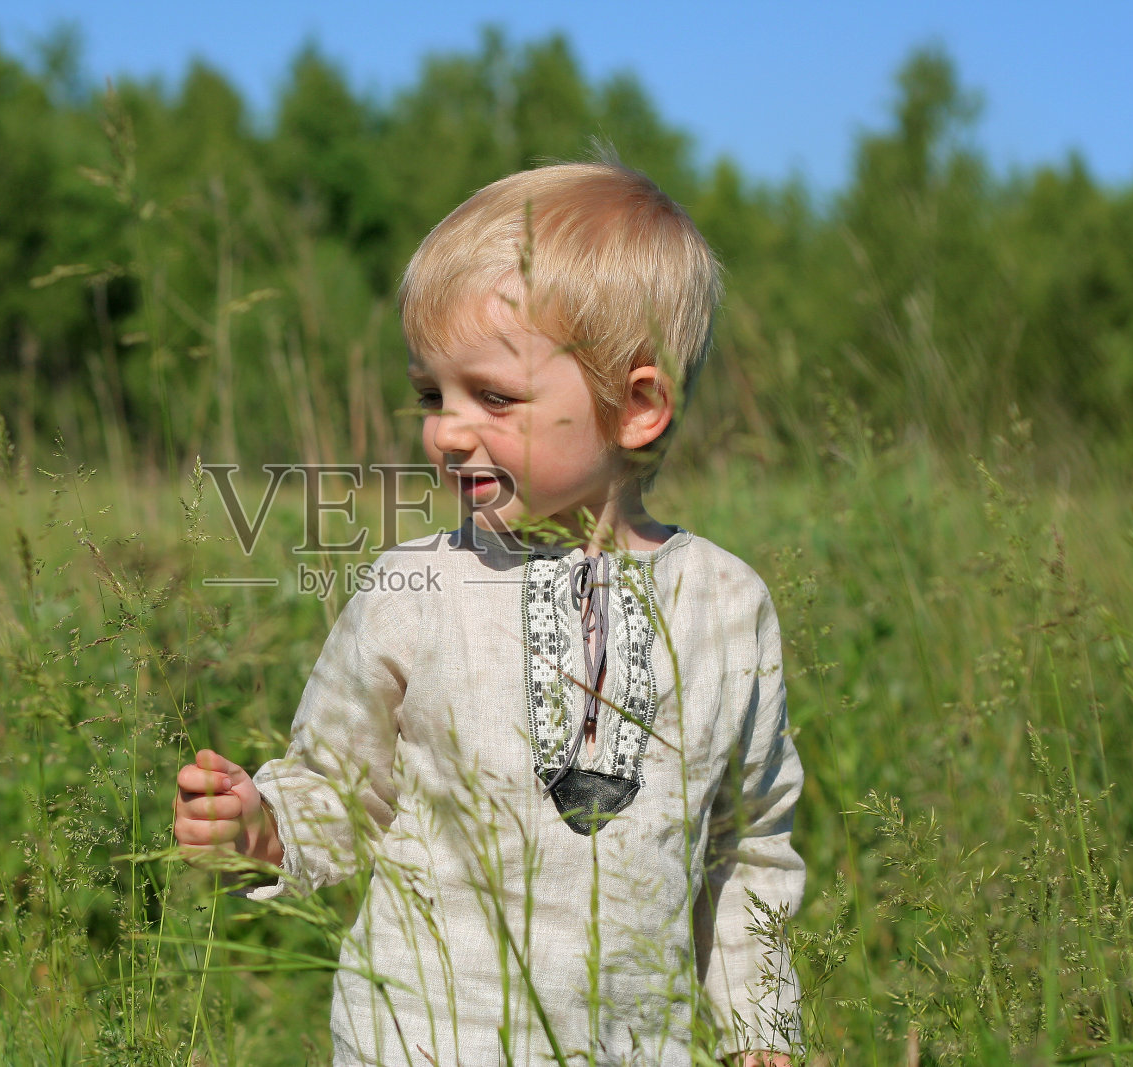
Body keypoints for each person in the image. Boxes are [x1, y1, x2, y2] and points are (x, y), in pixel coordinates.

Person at [174, 158, 805, 1067]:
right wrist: (262, 826)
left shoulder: (725, 605)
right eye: (432, 394)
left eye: (494, 396)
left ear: (637, 406)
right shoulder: (414, 590)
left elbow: (746, 848)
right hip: (423, 1042)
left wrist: (762, 1033)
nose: (446, 430)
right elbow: (342, 789)